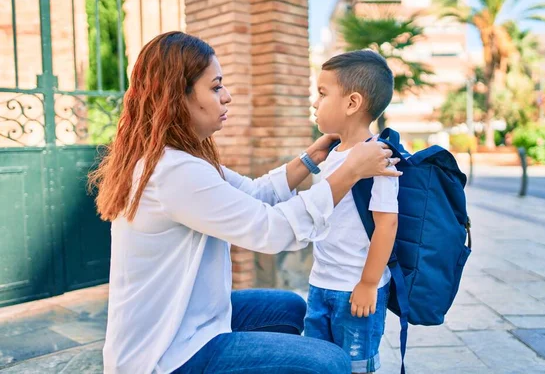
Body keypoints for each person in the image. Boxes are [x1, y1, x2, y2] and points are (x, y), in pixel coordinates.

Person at [88, 31, 401, 374]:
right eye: (215, 86)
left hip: (190, 317)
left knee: (289, 308)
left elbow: (253, 193)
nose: (227, 96)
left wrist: (311, 158)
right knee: (331, 362)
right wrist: (351, 171)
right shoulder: (173, 172)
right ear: (178, 96)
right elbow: (271, 232)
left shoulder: (178, 161)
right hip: (166, 352)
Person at [304, 50, 399, 374]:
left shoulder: (377, 157)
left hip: (355, 288)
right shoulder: (332, 153)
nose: (315, 102)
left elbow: (386, 225)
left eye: (322, 93)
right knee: (319, 363)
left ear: (352, 103)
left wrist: (369, 283)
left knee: (357, 367)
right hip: (321, 283)